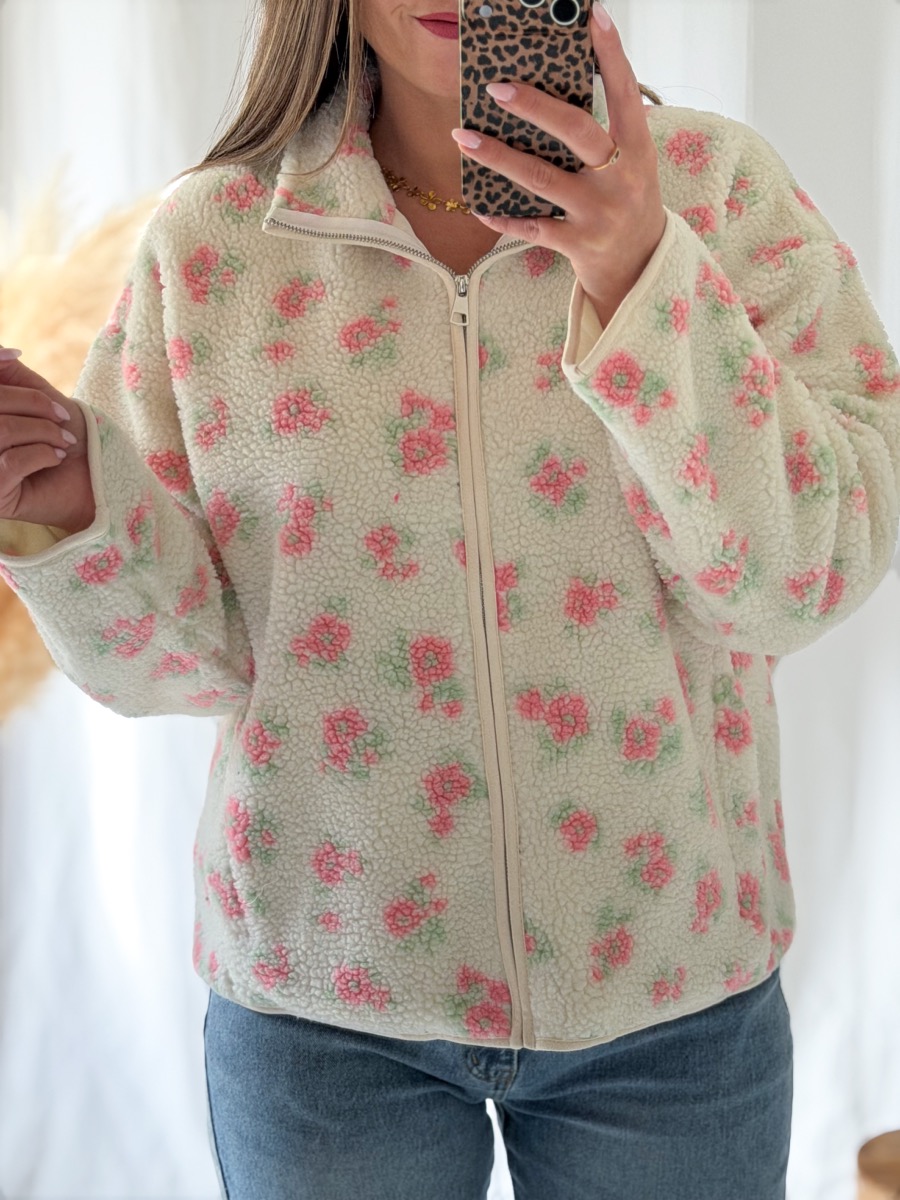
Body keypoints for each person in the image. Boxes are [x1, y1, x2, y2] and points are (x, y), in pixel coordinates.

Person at [1, 0, 898, 1195]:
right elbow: (181, 668)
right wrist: (72, 512)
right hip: (325, 1004)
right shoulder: (216, 244)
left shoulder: (717, 193)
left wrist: (643, 274)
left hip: (670, 1000)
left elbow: (805, 577)